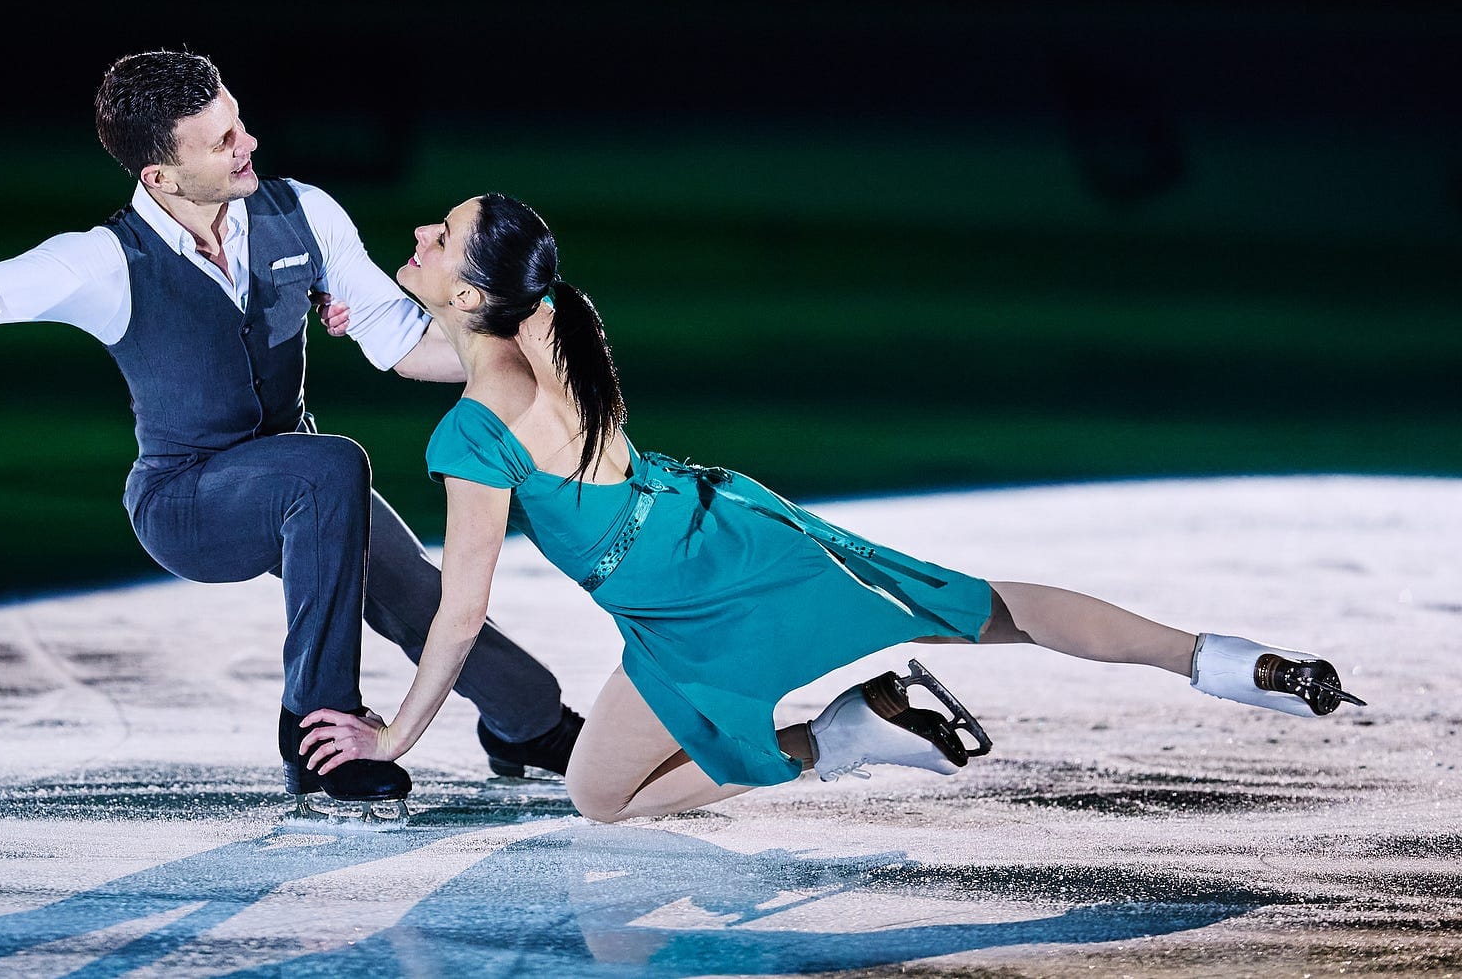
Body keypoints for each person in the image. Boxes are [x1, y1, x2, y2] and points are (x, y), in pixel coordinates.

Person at [0, 51, 585, 812]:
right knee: (331, 465)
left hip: (306, 483)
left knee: (413, 590)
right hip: (189, 500)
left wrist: (528, 345)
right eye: (223, 140)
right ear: (160, 174)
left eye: (239, 120)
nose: (249, 143)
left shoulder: (301, 212)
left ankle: (530, 722)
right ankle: (318, 732)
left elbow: (404, 345)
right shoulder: (105, 262)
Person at [296, 193, 1366, 824]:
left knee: (601, 801)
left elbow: (460, 612)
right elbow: (435, 351)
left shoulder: (470, 433)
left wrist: (394, 732)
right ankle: (1225, 662)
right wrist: (362, 312)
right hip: (724, 528)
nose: (422, 230)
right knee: (979, 606)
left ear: (471, 295)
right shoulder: (547, 324)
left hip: (679, 608)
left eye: (442, 235)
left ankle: (843, 737)